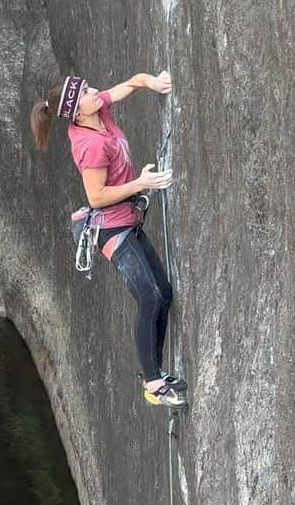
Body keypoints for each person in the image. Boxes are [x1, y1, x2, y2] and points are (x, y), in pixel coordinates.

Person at [30, 72, 188, 408]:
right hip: (111, 229)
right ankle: (153, 383)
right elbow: (97, 196)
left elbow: (125, 86)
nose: (94, 91)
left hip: (127, 220)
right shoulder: (89, 145)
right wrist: (140, 184)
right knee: (149, 297)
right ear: (76, 112)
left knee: (164, 293)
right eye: (86, 92)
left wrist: (151, 82)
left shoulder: (96, 111)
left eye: (88, 87)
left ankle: (154, 371)